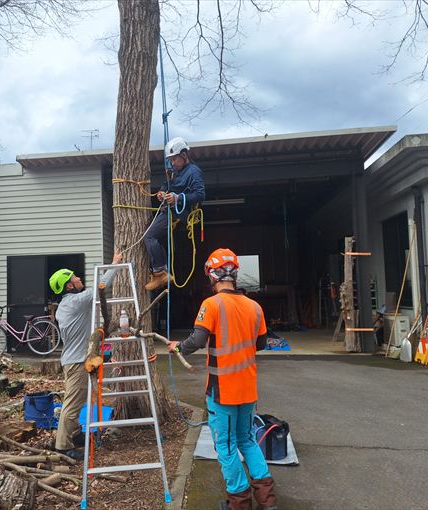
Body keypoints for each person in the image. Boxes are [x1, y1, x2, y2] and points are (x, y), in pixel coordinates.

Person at [168, 248, 277, 510]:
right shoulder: (255, 307)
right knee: (247, 440)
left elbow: (197, 340)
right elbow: (261, 343)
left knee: (226, 446)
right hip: (248, 389)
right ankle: (268, 501)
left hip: (222, 391)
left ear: (212, 275)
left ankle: (239, 502)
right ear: (234, 274)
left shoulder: (212, 304)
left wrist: (178, 347)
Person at [48, 251, 123, 460]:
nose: (79, 278)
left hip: (73, 360)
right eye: (75, 278)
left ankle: (74, 434)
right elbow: (101, 286)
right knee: (72, 405)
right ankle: (63, 447)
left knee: (78, 400)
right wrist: (115, 263)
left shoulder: (67, 304)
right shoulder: (74, 302)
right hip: (76, 362)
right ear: (69, 286)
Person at [144, 137, 205, 291]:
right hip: (170, 210)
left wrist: (178, 198)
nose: (172, 163)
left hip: (179, 212)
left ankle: (160, 273)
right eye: (170, 160)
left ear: (184, 155)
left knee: (150, 236)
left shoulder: (193, 172)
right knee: (153, 236)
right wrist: (162, 191)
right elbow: (169, 184)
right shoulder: (177, 172)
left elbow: (200, 195)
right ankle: (161, 271)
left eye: (174, 159)